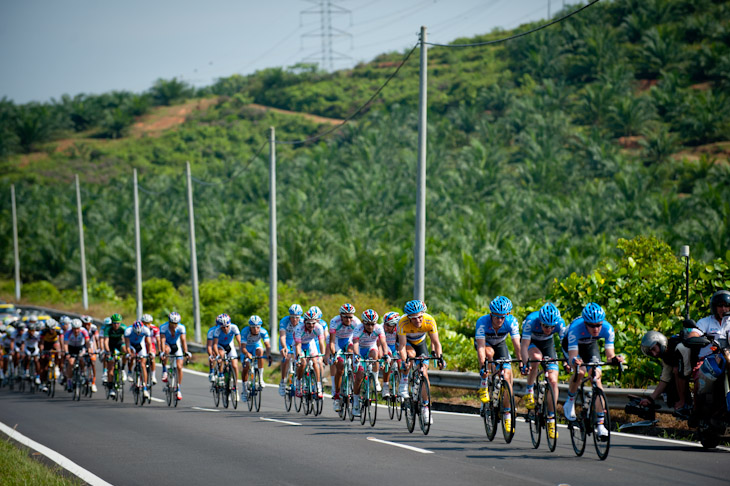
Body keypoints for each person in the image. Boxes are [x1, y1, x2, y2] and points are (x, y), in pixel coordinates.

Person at [561, 302, 624, 439]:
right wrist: (575, 362)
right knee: (581, 371)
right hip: (571, 345)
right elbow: (573, 357)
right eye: (592, 325)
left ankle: (600, 425)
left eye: (598, 325)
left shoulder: (607, 329)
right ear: (585, 323)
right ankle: (570, 401)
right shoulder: (576, 329)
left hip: (590, 345)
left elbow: (609, 356)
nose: (596, 329)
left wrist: (615, 359)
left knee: (596, 377)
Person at [475, 296, 522, 434]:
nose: (499, 320)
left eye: (502, 317)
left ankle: (507, 414)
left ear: (506, 315)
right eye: (496, 317)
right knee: (489, 354)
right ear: (491, 314)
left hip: (500, 344)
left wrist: (521, 363)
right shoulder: (482, 322)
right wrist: (483, 366)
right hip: (486, 345)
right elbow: (481, 347)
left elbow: (517, 345)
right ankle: (485, 382)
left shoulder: (511, 322)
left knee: (507, 376)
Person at [520, 303, 566, 440]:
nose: (549, 329)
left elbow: (566, 344)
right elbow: (524, 345)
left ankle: (551, 419)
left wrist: (567, 360)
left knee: (553, 381)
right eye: (546, 326)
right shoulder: (531, 321)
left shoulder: (560, 323)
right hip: (532, 343)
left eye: (552, 327)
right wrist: (524, 363)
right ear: (540, 322)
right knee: (536, 358)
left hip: (547, 344)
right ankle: (529, 390)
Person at [397, 300, 444, 426]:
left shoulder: (429, 320)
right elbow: (401, 346)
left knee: (424, 371)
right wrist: (404, 360)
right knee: (410, 356)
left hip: (421, 343)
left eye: (419, 317)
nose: (418, 321)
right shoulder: (402, 322)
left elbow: (436, 342)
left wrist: (440, 358)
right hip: (407, 342)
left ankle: (425, 407)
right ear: (408, 317)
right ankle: (405, 380)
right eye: (414, 318)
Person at [638, 330, 690, 417]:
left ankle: (683, 402)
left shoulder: (677, 346)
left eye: (654, 349)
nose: (654, 354)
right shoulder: (665, 356)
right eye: (651, 353)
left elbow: (682, 371)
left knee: (676, 370)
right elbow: (665, 378)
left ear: (660, 342)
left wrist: (682, 400)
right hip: (685, 370)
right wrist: (650, 399)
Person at [352, 309, 390, 417]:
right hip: (359, 349)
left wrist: (386, 355)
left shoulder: (379, 328)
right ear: (363, 322)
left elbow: (383, 343)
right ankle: (355, 403)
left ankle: (376, 379)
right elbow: (355, 343)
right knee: (359, 377)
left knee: (375, 354)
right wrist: (357, 355)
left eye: (372, 324)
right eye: (368, 324)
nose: (370, 327)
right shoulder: (358, 329)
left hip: (371, 347)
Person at [328, 303, 361, 412]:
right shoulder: (334, 321)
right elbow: (332, 342)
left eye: (350, 316)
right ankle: (337, 396)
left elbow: (357, 341)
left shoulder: (356, 322)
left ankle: (351, 378)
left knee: (352, 353)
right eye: (345, 316)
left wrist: (357, 355)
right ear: (341, 316)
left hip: (349, 340)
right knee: (340, 366)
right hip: (337, 341)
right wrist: (334, 354)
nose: (348, 319)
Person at [294, 308, 327, 399]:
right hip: (299, 344)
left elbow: (321, 342)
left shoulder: (319, 328)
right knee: (303, 363)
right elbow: (298, 345)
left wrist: (323, 355)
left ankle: (319, 386)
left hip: (309, 343)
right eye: (308, 323)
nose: (311, 325)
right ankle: (299, 383)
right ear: (304, 322)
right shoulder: (299, 328)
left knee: (315, 361)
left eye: (313, 323)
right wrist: (298, 358)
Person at [159, 312, 192, 401]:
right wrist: (162, 352)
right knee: (166, 351)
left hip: (176, 345)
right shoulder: (163, 327)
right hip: (167, 344)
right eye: (172, 323)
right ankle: (164, 370)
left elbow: (183, 340)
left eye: (176, 323)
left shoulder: (181, 328)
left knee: (179, 367)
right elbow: (162, 340)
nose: (174, 325)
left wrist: (186, 352)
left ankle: (178, 388)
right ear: (169, 322)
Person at [240, 315, 271, 400]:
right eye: (253, 327)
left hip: (256, 346)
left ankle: (260, 379)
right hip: (246, 348)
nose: (256, 329)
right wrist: (247, 353)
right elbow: (242, 347)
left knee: (260, 352)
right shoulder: (245, 331)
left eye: (258, 327)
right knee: (246, 366)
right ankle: (244, 389)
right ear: (250, 327)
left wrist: (268, 354)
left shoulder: (263, 331)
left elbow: (267, 345)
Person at [212, 313, 241, 402]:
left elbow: (240, 341)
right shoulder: (217, 330)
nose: (225, 329)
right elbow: (215, 345)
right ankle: (221, 375)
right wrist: (218, 356)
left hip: (229, 345)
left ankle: (235, 387)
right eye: (223, 327)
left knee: (235, 366)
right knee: (221, 354)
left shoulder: (234, 327)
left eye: (227, 326)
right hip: (220, 346)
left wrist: (242, 352)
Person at [278, 304, 302, 396]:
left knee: (300, 360)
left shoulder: (303, 322)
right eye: (292, 317)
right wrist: (284, 347)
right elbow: (282, 336)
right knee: (286, 358)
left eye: (297, 317)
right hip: (286, 342)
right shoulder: (284, 321)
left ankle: (300, 381)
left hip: (297, 341)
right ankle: (283, 381)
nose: (294, 320)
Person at [124, 321, 152, 400]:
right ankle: (129, 371)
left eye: (139, 333)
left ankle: (145, 388)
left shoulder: (146, 330)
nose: (138, 334)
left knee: (143, 365)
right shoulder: (128, 330)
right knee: (131, 355)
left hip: (140, 345)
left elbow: (149, 343)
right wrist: (129, 353)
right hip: (131, 345)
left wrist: (150, 352)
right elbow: (127, 345)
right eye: (136, 333)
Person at [102, 313, 127, 397]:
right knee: (111, 366)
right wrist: (108, 352)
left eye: (118, 323)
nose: (116, 325)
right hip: (110, 345)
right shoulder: (108, 329)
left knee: (125, 351)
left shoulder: (123, 328)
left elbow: (127, 340)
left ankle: (123, 368)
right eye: (114, 323)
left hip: (119, 343)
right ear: (111, 323)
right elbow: (105, 342)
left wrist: (128, 352)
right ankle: (111, 387)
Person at [63, 319, 91, 393]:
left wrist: (89, 350)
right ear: (72, 328)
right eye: (74, 329)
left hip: (80, 347)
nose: (76, 331)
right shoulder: (68, 332)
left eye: (78, 328)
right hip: (71, 348)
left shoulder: (84, 331)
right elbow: (65, 344)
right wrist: (66, 353)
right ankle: (69, 381)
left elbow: (87, 342)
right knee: (71, 362)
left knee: (81, 359)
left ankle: (82, 373)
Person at [381, 311, 400, 398]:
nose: (386, 327)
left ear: (395, 325)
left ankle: (401, 385)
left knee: (400, 363)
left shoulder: (400, 329)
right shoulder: (381, 328)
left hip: (396, 346)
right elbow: (380, 344)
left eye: (389, 325)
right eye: (385, 324)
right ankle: (385, 386)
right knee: (387, 362)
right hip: (386, 346)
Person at [80, 315, 99, 392]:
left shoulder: (94, 328)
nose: (87, 326)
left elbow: (97, 339)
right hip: (82, 344)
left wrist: (98, 349)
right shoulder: (80, 329)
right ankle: (82, 373)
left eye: (89, 324)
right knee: (81, 359)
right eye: (85, 324)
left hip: (90, 344)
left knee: (93, 362)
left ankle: (93, 383)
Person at [141, 314, 160, 385]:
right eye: (144, 323)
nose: (146, 325)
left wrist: (160, 350)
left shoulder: (155, 329)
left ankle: (153, 375)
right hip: (142, 344)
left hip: (151, 344)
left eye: (148, 323)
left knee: (152, 358)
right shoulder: (140, 328)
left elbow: (158, 340)